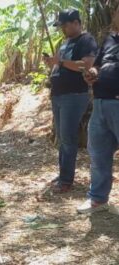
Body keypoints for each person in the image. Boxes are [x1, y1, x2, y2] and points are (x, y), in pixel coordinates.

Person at [44, 9, 98, 193]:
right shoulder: (66, 42)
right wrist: (53, 63)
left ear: (76, 22)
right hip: (59, 95)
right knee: (62, 137)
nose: (63, 30)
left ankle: (66, 180)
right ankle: (63, 174)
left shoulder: (86, 40)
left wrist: (60, 63)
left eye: (65, 25)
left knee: (68, 137)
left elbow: (86, 64)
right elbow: (60, 63)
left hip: (74, 95)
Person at [77, 5, 119, 214]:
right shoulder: (110, 39)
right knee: (98, 153)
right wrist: (92, 72)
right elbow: (99, 64)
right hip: (101, 104)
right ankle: (98, 200)